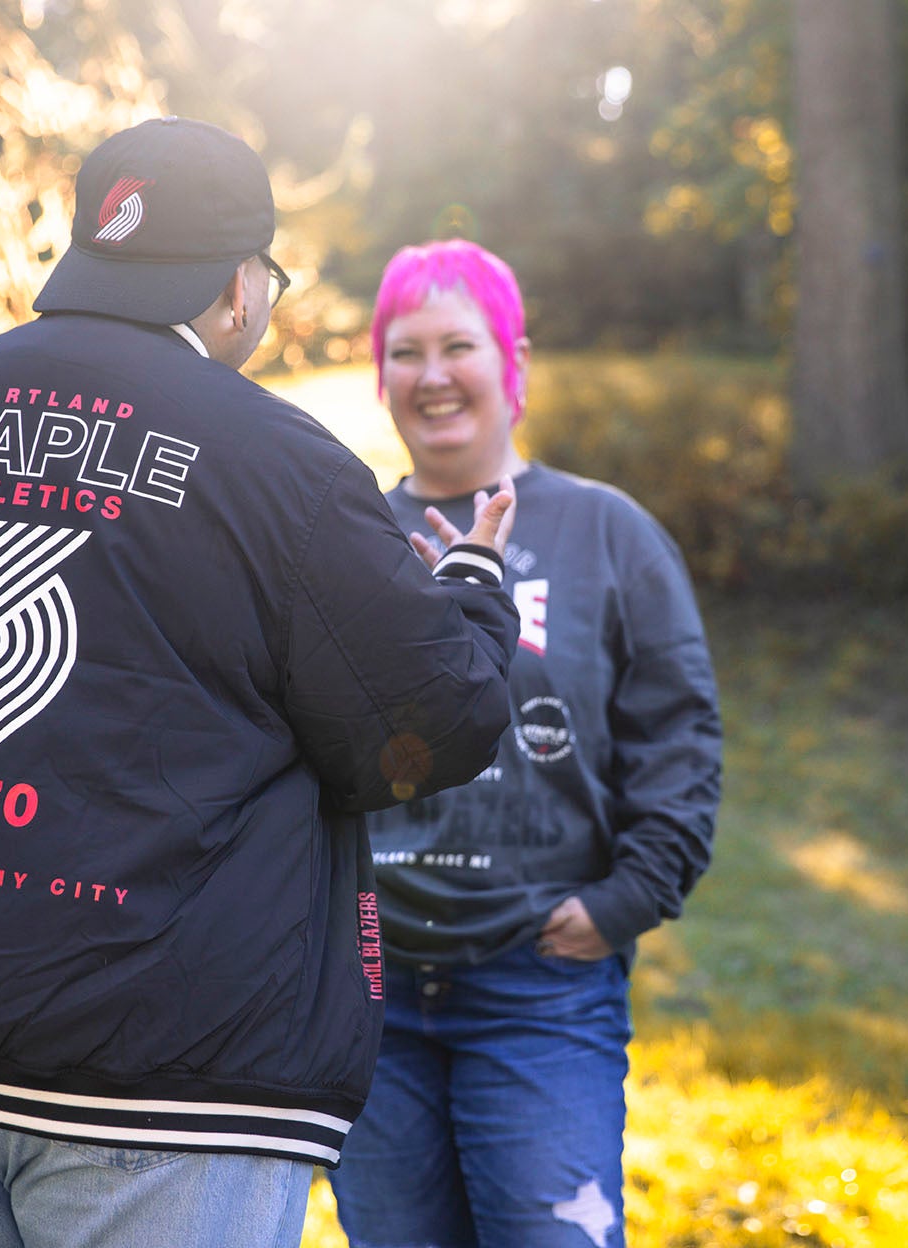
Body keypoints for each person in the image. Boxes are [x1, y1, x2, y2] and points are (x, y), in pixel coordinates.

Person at [0, 120, 523, 1248]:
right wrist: (469, 584)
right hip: (168, 1067)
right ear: (238, 287)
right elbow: (429, 724)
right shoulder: (282, 465)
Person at [326, 239, 723, 1248]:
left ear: (516, 366)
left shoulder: (608, 534)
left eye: (459, 344)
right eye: (404, 351)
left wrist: (625, 901)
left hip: (541, 985)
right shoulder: (346, 542)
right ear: (381, 378)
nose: (432, 374)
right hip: (371, 999)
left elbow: (678, 735)